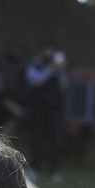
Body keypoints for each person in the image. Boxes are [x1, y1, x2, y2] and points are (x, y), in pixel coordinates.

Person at [26, 49, 68, 181]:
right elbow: (36, 81)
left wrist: (59, 71)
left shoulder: (60, 70)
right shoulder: (35, 66)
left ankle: (54, 170)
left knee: (55, 139)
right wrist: (50, 70)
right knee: (37, 138)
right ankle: (34, 169)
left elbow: (64, 86)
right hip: (39, 109)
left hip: (55, 110)